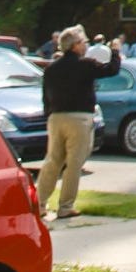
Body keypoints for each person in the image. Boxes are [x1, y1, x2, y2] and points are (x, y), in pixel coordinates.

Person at [37, 26, 123, 221]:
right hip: (79, 118)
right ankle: (65, 206)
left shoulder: (51, 69)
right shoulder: (85, 65)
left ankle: (40, 203)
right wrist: (116, 51)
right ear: (75, 46)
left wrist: (49, 114)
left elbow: (45, 98)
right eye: (83, 43)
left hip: (56, 118)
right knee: (74, 164)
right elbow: (111, 69)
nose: (85, 46)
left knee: (52, 161)